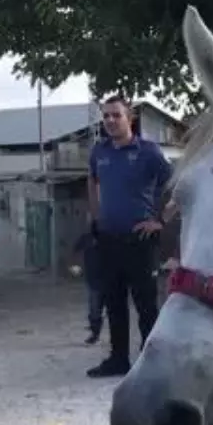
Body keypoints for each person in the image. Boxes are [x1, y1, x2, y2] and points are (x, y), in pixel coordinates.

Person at [85, 95, 173, 378]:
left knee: (146, 305)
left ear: (129, 118)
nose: (110, 121)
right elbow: (92, 180)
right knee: (114, 303)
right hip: (109, 240)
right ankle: (118, 359)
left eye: (116, 115)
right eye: (106, 116)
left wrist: (160, 221)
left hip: (140, 242)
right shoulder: (100, 152)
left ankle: (152, 363)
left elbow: (177, 187)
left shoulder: (148, 152)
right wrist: (96, 217)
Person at [72, 226, 106, 345]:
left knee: (111, 309)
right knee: (94, 309)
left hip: (109, 278)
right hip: (93, 279)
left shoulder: (110, 238)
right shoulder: (87, 238)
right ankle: (95, 333)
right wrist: (75, 266)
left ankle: (116, 338)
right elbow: (75, 251)